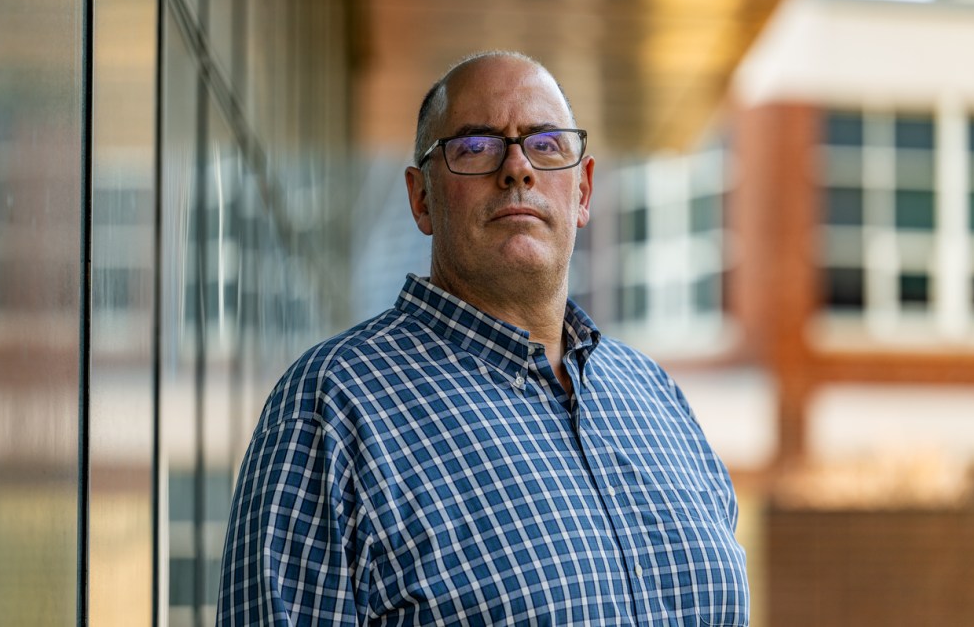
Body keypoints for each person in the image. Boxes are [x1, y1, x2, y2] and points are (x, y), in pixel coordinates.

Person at [217, 51, 749, 625]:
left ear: (584, 190)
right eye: (475, 147)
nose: (517, 168)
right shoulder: (332, 409)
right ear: (422, 198)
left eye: (546, 144)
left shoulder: (653, 396)